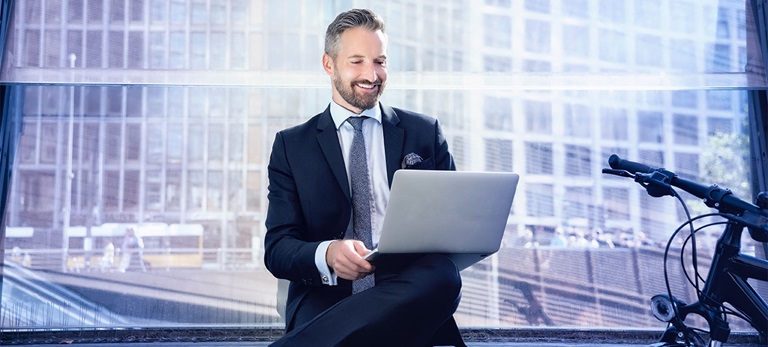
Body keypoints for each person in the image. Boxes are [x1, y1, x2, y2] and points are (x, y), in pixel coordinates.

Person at [264, 8, 465, 346]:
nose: (372, 74)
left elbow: (453, 229)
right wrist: (327, 254)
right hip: (325, 297)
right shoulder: (291, 145)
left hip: (409, 291)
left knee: (444, 276)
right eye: (357, 61)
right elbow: (278, 248)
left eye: (380, 61)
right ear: (329, 64)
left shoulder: (424, 132)